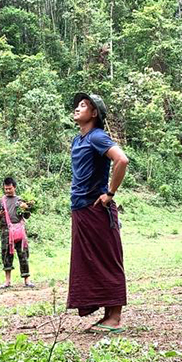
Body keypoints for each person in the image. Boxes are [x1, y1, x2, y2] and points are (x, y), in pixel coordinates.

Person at [66, 93, 129, 333]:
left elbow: (121, 160)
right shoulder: (77, 140)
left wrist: (110, 193)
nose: (77, 108)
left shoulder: (97, 137)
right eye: (78, 105)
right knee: (89, 261)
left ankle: (114, 317)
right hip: (81, 208)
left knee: (106, 259)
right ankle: (105, 314)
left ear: (94, 114)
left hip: (97, 209)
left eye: (84, 106)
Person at [0, 177, 34, 289]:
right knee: (6, 255)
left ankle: (27, 280)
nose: (7, 191)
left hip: (19, 230)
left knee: (23, 254)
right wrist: (0, 215)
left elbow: (27, 216)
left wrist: (27, 208)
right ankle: (7, 281)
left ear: (14, 187)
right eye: (5, 189)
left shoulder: (21, 200)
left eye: (9, 188)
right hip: (6, 231)